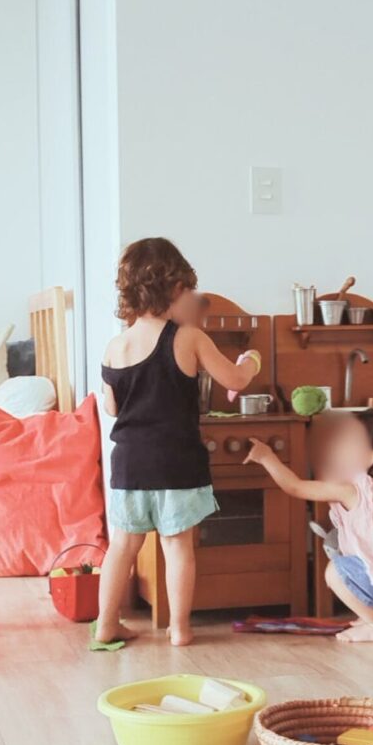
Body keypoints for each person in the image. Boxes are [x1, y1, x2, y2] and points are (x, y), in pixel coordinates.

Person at [96, 237, 261, 646]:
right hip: (176, 462)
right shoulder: (188, 337)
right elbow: (235, 381)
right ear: (173, 288)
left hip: (130, 464)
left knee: (122, 547)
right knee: (178, 546)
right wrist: (252, 360)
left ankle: (105, 625)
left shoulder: (116, 345)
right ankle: (180, 629)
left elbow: (112, 407)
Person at [245, 410, 373, 642]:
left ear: (369, 458)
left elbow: (295, 487)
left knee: (335, 572)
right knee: (367, 562)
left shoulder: (351, 489)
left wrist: (267, 457)